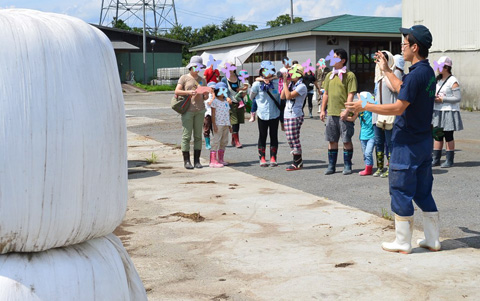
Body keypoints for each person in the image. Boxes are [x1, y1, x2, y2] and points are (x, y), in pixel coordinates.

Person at [346, 25, 441, 254]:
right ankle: (432, 239)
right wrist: (387, 69)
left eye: (404, 44)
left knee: (400, 188)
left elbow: (399, 107)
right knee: (422, 191)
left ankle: (402, 242)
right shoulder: (425, 71)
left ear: (415, 47)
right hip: (422, 141)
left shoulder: (417, 73)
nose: (402, 47)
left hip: (407, 142)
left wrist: (365, 106)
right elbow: (402, 89)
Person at [320, 48, 358, 175]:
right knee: (332, 140)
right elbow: (325, 94)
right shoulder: (329, 75)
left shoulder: (349, 75)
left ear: (343, 60)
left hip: (344, 112)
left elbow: (351, 94)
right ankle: (332, 165)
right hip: (331, 112)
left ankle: (347, 165)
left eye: (335, 57)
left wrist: (347, 110)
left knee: (346, 139)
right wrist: (322, 110)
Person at [372, 52, 404, 178]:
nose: (380, 62)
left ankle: (391, 168)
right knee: (378, 142)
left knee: (390, 142)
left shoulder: (394, 73)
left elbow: (394, 88)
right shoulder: (378, 75)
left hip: (389, 113)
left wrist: (385, 71)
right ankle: (380, 168)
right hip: (377, 113)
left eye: (383, 59)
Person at [175, 56, 210, 169]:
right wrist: (188, 92)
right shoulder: (184, 78)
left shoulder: (202, 79)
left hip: (200, 110)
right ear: (190, 66)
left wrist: (205, 94)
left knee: (198, 136)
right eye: (195, 66)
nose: (197, 69)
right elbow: (177, 91)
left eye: (199, 67)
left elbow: (206, 97)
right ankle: (186, 161)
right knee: (186, 136)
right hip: (188, 110)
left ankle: (197, 161)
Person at [432, 56, 463, 168]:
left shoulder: (453, 81)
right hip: (437, 110)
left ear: (446, 67)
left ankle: (449, 160)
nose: (437, 68)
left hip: (449, 111)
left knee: (448, 135)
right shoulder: (436, 80)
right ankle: (436, 159)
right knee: (437, 135)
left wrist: (442, 99)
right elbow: (429, 91)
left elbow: (457, 98)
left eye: (439, 66)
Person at [249, 61, 281, 167]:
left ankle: (273, 157)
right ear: (262, 71)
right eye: (265, 70)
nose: (268, 72)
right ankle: (262, 157)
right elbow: (251, 97)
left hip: (274, 113)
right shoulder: (257, 84)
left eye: (270, 70)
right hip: (262, 113)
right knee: (262, 136)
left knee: (274, 135)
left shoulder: (277, 83)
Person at [281, 64, 308, 171]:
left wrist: (284, 82)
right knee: (290, 139)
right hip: (287, 114)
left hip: (295, 114)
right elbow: (282, 96)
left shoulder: (302, 86)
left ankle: (297, 162)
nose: (290, 74)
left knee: (294, 138)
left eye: (292, 72)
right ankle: (298, 161)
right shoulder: (291, 84)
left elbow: (288, 96)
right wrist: (286, 83)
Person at [221, 61, 247, 148]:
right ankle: (237, 141)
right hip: (230, 103)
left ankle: (233, 138)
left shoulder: (239, 78)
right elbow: (222, 91)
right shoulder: (224, 79)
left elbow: (244, 88)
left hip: (239, 102)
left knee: (238, 122)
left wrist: (243, 92)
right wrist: (226, 98)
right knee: (234, 121)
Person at [209, 82, 232, 168]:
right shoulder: (215, 101)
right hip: (218, 124)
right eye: (221, 90)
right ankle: (213, 160)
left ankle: (221, 158)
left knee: (224, 141)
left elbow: (228, 114)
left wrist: (230, 125)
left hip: (226, 124)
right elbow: (213, 114)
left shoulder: (226, 102)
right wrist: (214, 124)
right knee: (216, 141)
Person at [358, 109, 374, 176]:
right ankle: (368, 166)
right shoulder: (360, 111)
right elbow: (352, 117)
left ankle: (369, 169)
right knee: (365, 153)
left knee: (368, 152)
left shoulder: (372, 110)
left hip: (372, 135)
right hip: (363, 135)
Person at [203, 82, 217, 150]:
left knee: (215, 129)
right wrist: (213, 97)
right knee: (207, 128)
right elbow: (208, 103)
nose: (213, 89)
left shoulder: (217, 95)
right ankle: (207, 143)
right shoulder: (207, 95)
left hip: (215, 114)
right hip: (208, 114)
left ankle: (216, 142)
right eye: (212, 88)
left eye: (214, 88)